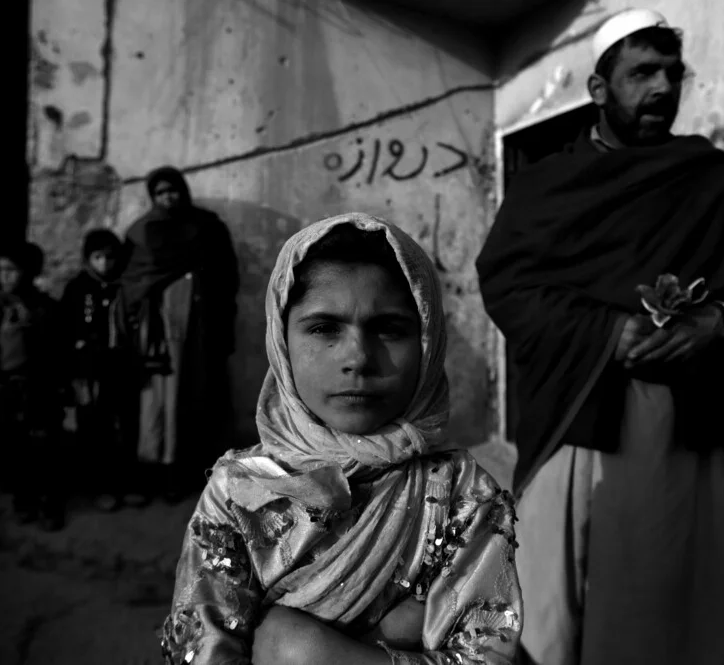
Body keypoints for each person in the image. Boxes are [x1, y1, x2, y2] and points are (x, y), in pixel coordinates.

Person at [475, 8, 724, 665]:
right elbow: (508, 286)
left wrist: (719, 320)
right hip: (579, 413)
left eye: (673, 74)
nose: (663, 88)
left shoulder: (709, 179)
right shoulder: (547, 186)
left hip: (685, 429)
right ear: (597, 89)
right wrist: (607, 331)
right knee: (556, 610)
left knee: (669, 597)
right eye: (642, 73)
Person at [159, 214, 522, 665]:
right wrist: (400, 635)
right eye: (324, 328)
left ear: (428, 342)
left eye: (389, 328)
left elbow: (486, 655)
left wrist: (301, 649)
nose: (357, 358)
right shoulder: (241, 493)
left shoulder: (465, 497)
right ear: (282, 341)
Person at [113, 166, 239, 503]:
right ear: (152, 197)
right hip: (164, 338)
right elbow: (130, 282)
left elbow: (228, 276)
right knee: (165, 404)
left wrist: (220, 319)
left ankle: (208, 474)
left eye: (173, 191)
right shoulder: (142, 233)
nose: (168, 198)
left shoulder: (207, 226)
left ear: (183, 191)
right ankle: (168, 475)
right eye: (160, 193)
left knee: (203, 396)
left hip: (202, 332)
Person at [0, 241, 67, 531]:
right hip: (9, 388)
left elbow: (58, 347)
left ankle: (48, 503)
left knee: (45, 446)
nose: (5, 276)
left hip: (42, 386)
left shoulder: (46, 305)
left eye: (12, 270)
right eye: (1, 270)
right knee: (14, 446)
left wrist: (62, 382)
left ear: (30, 271)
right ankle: (23, 501)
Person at [60, 228, 143, 511]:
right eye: (98, 257)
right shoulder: (77, 288)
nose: (104, 264)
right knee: (95, 428)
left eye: (109, 257)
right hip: (89, 372)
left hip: (120, 369)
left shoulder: (123, 288)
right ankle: (100, 487)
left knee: (125, 428)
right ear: (87, 259)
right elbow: (65, 332)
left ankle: (127, 484)